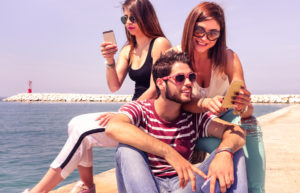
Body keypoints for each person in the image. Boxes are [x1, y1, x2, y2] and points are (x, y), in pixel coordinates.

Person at [22, 0, 171, 192]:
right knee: (75, 123)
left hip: (150, 116)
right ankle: (88, 185)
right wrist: (109, 60)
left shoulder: (159, 43)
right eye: (124, 18)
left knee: (84, 133)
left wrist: (122, 114)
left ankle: (38, 191)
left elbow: (155, 89)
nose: (128, 22)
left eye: (132, 17)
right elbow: (113, 86)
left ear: (146, 16)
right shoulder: (128, 49)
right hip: (133, 113)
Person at [106, 50, 248, 193]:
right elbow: (114, 127)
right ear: (161, 83)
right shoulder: (141, 109)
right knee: (125, 150)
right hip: (147, 184)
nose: (188, 83)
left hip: (185, 185)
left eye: (191, 77)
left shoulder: (194, 116)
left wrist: (224, 153)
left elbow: (236, 132)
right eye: (180, 78)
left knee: (233, 151)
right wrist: (169, 153)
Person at [176, 2, 265, 193]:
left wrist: (243, 104)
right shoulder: (175, 57)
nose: (204, 38)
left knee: (249, 127)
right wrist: (204, 103)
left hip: (223, 121)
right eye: (199, 30)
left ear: (220, 35)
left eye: (212, 33)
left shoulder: (228, 58)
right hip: (194, 125)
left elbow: (246, 112)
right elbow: (173, 104)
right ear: (190, 26)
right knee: (235, 150)